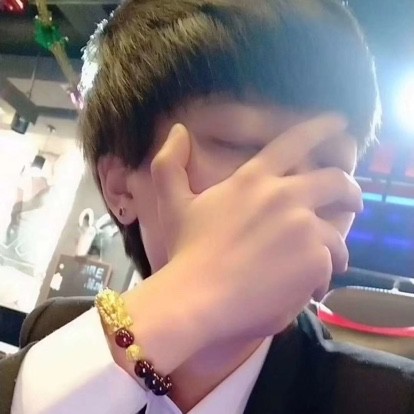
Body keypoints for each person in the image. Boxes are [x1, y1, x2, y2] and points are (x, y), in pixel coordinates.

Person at [2, 0, 414, 413]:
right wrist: (175, 310)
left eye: (331, 167)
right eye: (242, 146)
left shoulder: (390, 398)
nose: (294, 203)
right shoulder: (57, 336)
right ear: (120, 187)